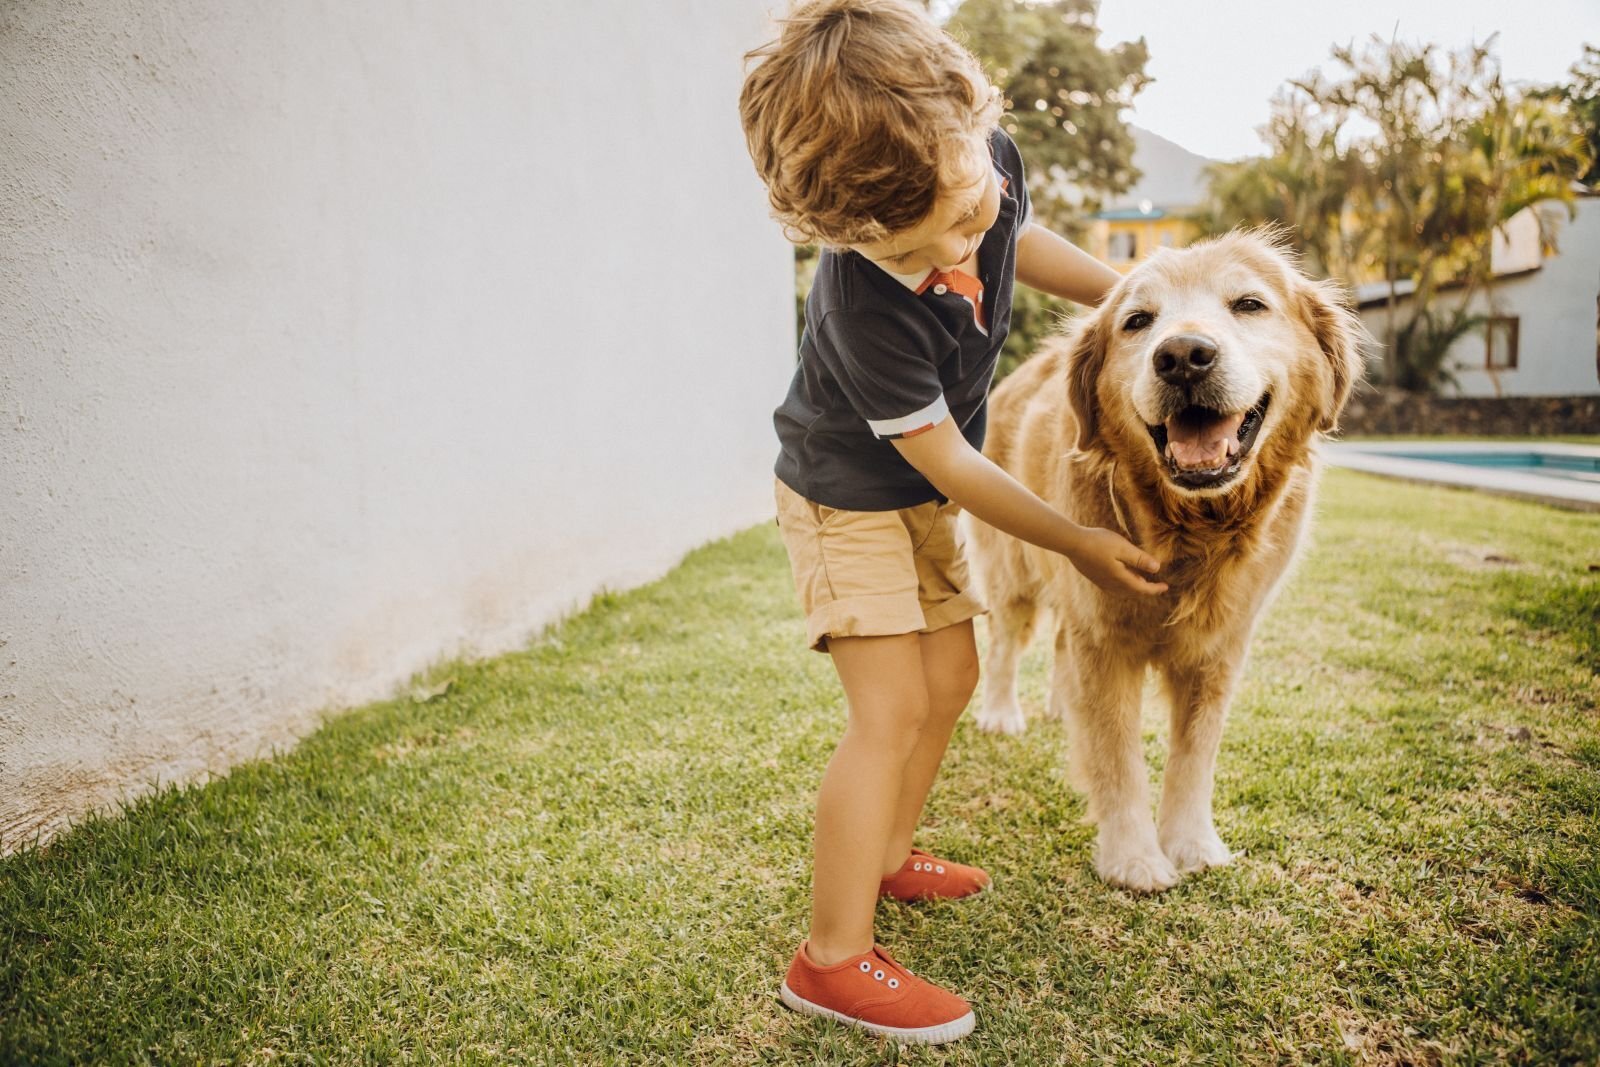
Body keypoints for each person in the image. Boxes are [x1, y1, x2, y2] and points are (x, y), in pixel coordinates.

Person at [739, 0, 1168, 1044]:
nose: (977, 234)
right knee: (887, 708)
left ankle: (887, 854)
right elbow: (954, 461)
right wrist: (1071, 540)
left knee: (956, 677)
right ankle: (830, 956)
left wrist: (1135, 298)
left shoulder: (973, 160)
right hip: (847, 498)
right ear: (850, 231)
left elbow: (1024, 233)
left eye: (977, 201)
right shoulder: (860, 305)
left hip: (916, 493)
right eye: (947, 234)